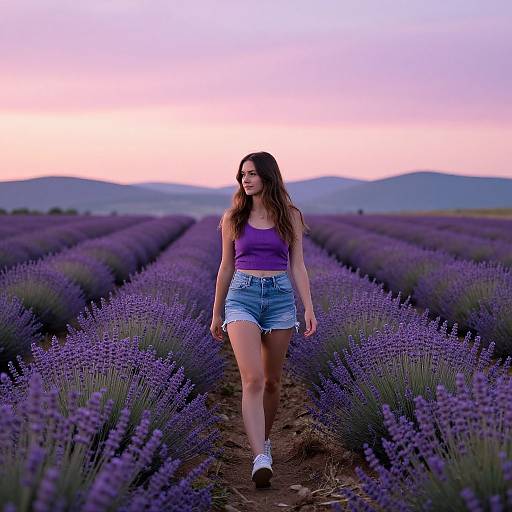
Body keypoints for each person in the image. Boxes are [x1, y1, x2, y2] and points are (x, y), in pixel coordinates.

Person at [210, 151, 318, 488]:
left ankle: (264, 442)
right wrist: (216, 311)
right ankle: (260, 456)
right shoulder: (233, 217)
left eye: (253, 173)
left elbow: (297, 265)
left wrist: (308, 307)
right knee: (252, 379)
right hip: (241, 295)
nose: (246, 179)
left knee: (272, 382)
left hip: (280, 297)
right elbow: (226, 266)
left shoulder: (290, 216)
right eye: (242, 174)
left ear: (268, 177)